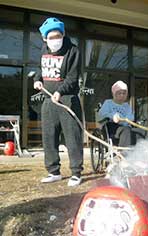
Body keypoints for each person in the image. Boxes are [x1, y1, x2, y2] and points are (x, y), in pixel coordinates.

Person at [33, 17, 83, 186]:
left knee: (72, 137)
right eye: (52, 37)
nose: (55, 40)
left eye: (58, 36)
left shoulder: (73, 51)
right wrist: (38, 79)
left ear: (63, 34)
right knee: (49, 137)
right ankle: (53, 171)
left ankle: (76, 173)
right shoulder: (43, 49)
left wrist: (60, 91)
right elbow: (39, 68)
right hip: (48, 100)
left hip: (67, 99)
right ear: (45, 38)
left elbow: (73, 77)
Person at [98, 80, 145, 147]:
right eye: (119, 93)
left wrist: (124, 120)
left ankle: (138, 152)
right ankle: (123, 153)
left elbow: (131, 117)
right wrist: (112, 116)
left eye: (124, 93)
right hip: (112, 127)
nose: (122, 95)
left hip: (125, 126)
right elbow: (102, 114)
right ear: (114, 94)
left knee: (141, 131)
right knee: (126, 130)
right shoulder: (108, 103)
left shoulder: (127, 106)